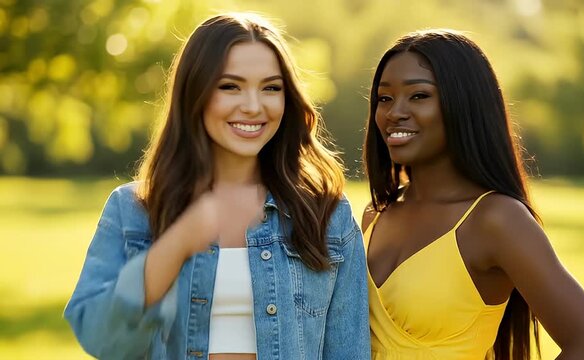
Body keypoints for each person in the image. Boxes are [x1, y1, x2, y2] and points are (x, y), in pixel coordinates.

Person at [64, 13, 370, 360]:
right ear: (195, 93)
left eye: (271, 88)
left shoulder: (326, 214)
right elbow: (102, 340)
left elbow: (349, 350)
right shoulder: (133, 210)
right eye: (230, 86)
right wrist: (177, 243)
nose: (253, 106)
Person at [361, 29, 584, 359]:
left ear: (465, 104)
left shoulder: (496, 219)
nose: (394, 112)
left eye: (419, 96)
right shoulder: (376, 213)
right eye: (384, 98)